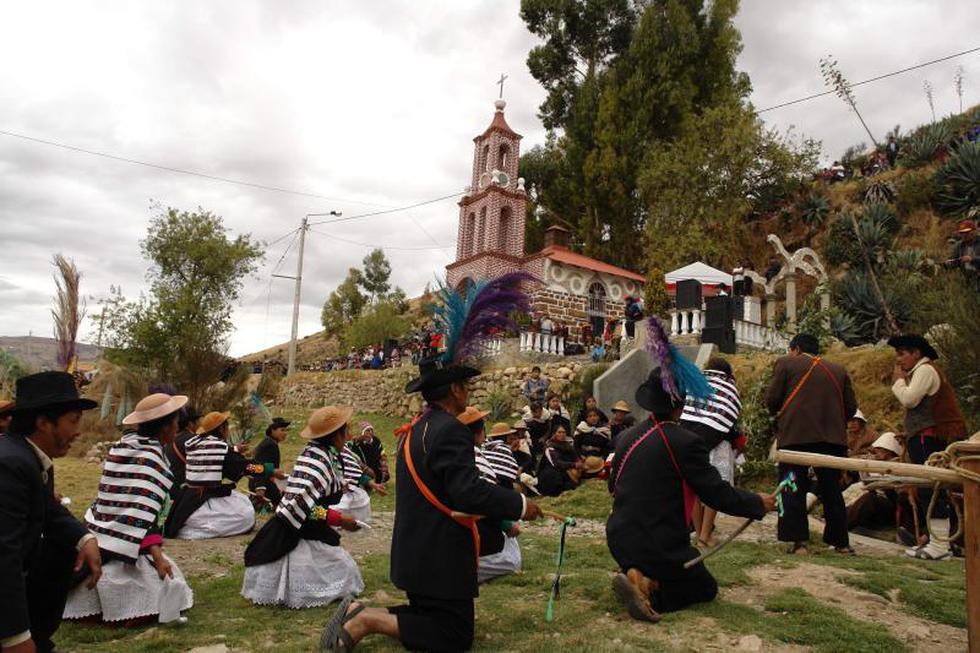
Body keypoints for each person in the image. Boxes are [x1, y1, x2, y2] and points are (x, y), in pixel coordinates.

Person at [320, 357, 541, 652]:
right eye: (465, 385)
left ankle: (359, 612)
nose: (468, 391)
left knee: (433, 617)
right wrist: (520, 504)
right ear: (454, 389)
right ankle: (366, 622)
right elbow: (468, 492)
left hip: (419, 553)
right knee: (454, 635)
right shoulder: (450, 430)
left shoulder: (417, 429)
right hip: (439, 555)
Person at [607, 368, 775, 621]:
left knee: (675, 564)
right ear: (682, 403)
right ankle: (649, 587)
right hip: (657, 544)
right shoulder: (686, 442)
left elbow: (613, 486)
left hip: (619, 539)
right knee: (705, 588)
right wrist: (757, 503)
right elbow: (716, 494)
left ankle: (634, 570)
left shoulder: (626, 437)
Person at [64, 393, 194, 625]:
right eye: (175, 423)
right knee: (162, 587)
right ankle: (127, 610)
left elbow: (130, 507)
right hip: (129, 543)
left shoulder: (122, 447)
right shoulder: (152, 459)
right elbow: (142, 516)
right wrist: (157, 555)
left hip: (100, 533)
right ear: (165, 427)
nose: (177, 428)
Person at [0, 371, 102, 653]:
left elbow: (50, 509)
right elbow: (3, 555)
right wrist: (14, 638)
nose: (78, 431)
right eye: (73, 421)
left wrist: (85, 538)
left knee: (63, 549)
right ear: (43, 422)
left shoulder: (30, 457)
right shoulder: (10, 465)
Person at [241, 406, 365, 608]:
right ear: (336, 436)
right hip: (299, 527)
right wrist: (338, 519)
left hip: (303, 521)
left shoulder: (320, 453)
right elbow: (304, 508)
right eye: (345, 430)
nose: (348, 435)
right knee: (345, 572)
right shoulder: (319, 460)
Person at [766, 333, 857, 555]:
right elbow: (851, 408)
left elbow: (772, 399)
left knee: (791, 486)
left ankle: (799, 543)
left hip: (796, 436)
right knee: (832, 490)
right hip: (832, 440)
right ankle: (841, 543)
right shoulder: (838, 370)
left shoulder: (786, 363)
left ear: (795, 348)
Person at [889, 334, 967, 560]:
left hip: (929, 438)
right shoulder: (922, 371)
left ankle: (939, 546)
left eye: (902, 353)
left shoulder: (924, 370)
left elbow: (910, 400)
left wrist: (898, 382)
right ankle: (943, 542)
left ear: (916, 353)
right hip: (924, 437)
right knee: (934, 488)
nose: (899, 360)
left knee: (930, 488)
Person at [164, 411, 269, 539]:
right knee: (245, 513)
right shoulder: (219, 447)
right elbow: (246, 467)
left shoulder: (194, 443)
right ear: (221, 428)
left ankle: (189, 527)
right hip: (205, 500)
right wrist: (268, 470)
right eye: (227, 427)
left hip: (186, 504)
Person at [680, 358, 742, 548]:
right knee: (713, 489)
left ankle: (698, 532)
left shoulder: (695, 385)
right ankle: (705, 536)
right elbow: (729, 418)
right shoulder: (730, 389)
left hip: (691, 442)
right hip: (718, 444)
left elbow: (685, 411)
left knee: (695, 489)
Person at [844, 433, 913, 533]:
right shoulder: (877, 463)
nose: (877, 451)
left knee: (869, 499)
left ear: (889, 451)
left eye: (881, 448)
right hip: (880, 503)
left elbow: (894, 490)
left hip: (892, 507)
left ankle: (842, 526)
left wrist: (875, 483)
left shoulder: (898, 465)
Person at [337, 425, 387, 524]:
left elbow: (354, 472)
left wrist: (375, 485)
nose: (350, 436)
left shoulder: (344, 449)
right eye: (347, 433)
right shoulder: (327, 451)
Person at [248, 417, 291, 508]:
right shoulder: (270, 445)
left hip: (262, 483)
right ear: (272, 430)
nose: (285, 433)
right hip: (263, 485)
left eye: (286, 430)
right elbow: (258, 465)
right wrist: (260, 487)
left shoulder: (270, 442)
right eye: (282, 430)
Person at [164, 404, 199, 499]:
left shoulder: (170, 441)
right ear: (190, 423)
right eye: (197, 421)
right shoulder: (192, 440)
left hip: (170, 490)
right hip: (183, 493)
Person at [537, 424, 582, 497]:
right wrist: (574, 464)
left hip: (566, 468)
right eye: (559, 432)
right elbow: (556, 463)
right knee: (553, 476)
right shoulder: (550, 447)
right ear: (554, 434)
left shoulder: (568, 446)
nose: (562, 434)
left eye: (564, 432)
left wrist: (579, 461)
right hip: (553, 470)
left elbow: (575, 456)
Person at [482, 422, 521, 489]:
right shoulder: (504, 448)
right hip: (500, 484)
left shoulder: (486, 446)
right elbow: (512, 470)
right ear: (505, 436)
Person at [944, 219, 979, 286]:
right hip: (967, 281)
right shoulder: (959, 245)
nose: (964, 235)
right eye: (962, 233)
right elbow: (954, 261)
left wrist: (972, 259)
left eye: (967, 232)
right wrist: (948, 263)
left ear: (974, 231)